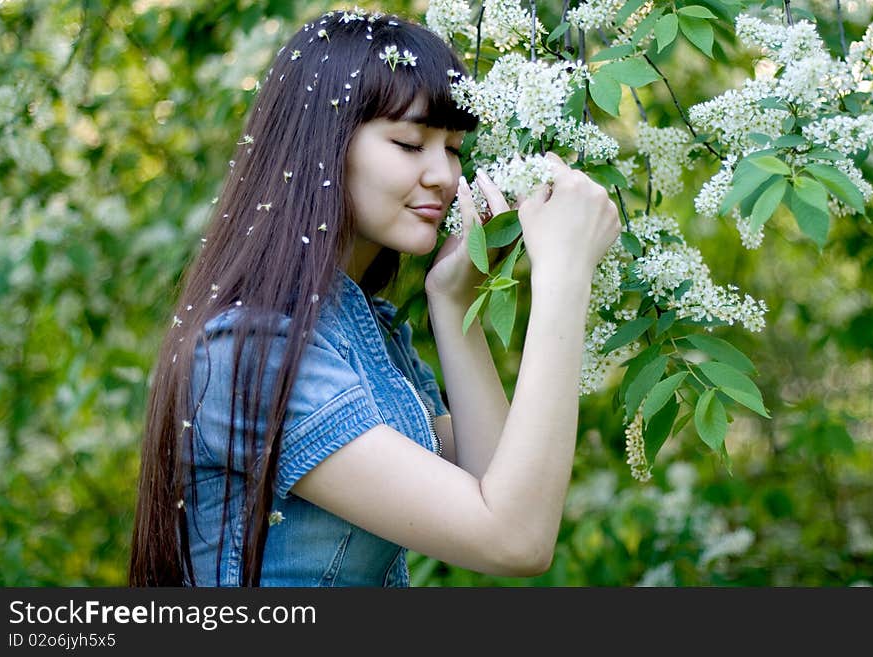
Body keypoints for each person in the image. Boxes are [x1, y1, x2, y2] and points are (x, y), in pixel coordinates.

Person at [128, 7, 621, 587]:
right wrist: (563, 274)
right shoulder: (249, 350)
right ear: (323, 145)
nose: (444, 174)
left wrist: (452, 302)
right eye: (411, 144)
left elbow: (497, 491)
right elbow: (514, 541)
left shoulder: (374, 335)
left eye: (455, 147)